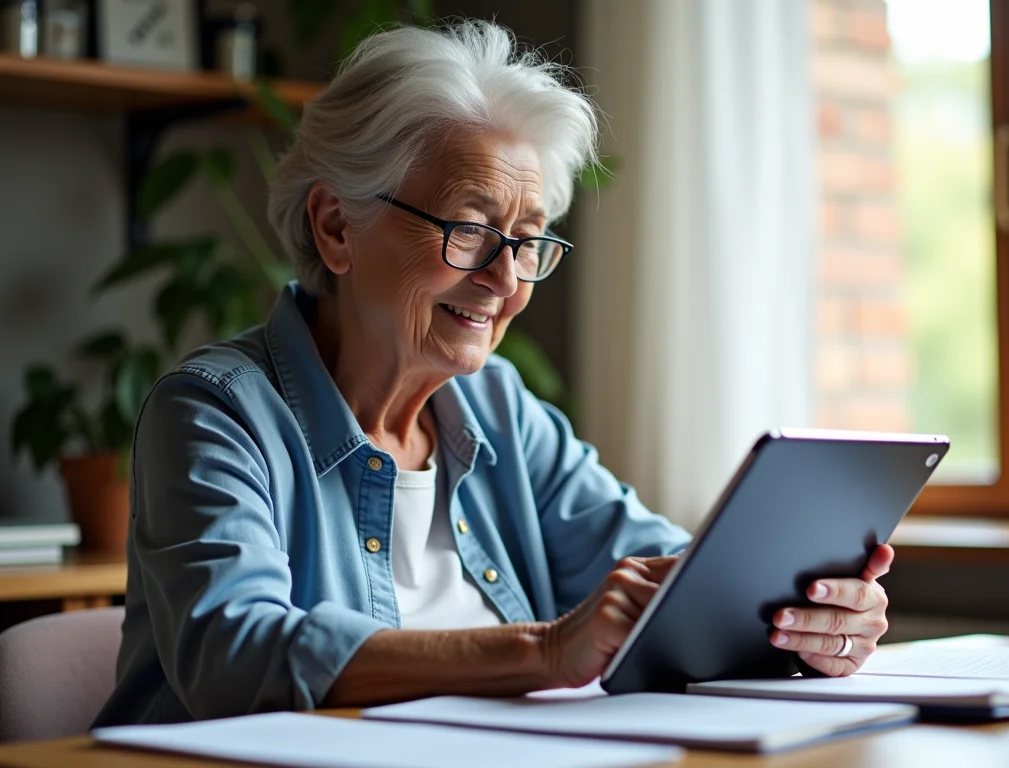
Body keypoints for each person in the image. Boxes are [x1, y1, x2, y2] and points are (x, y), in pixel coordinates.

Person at [93, 20, 892, 726]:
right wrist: (545, 650)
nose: (508, 280)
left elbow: (666, 579)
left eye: (529, 239)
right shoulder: (215, 414)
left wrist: (802, 614)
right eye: (469, 231)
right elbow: (236, 655)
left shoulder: (500, 411)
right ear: (337, 227)